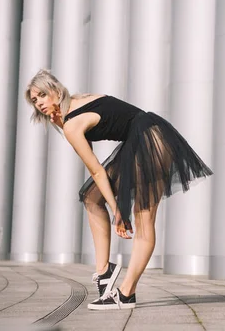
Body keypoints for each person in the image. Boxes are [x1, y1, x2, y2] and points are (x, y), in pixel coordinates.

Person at [25, 69, 213, 310]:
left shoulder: (72, 125)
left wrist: (117, 211)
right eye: (34, 100)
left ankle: (125, 293)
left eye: (42, 95)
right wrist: (60, 121)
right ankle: (105, 271)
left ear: (56, 91)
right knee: (91, 196)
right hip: (150, 134)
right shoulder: (83, 100)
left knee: (143, 218)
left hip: (148, 141)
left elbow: (97, 171)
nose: (39, 102)